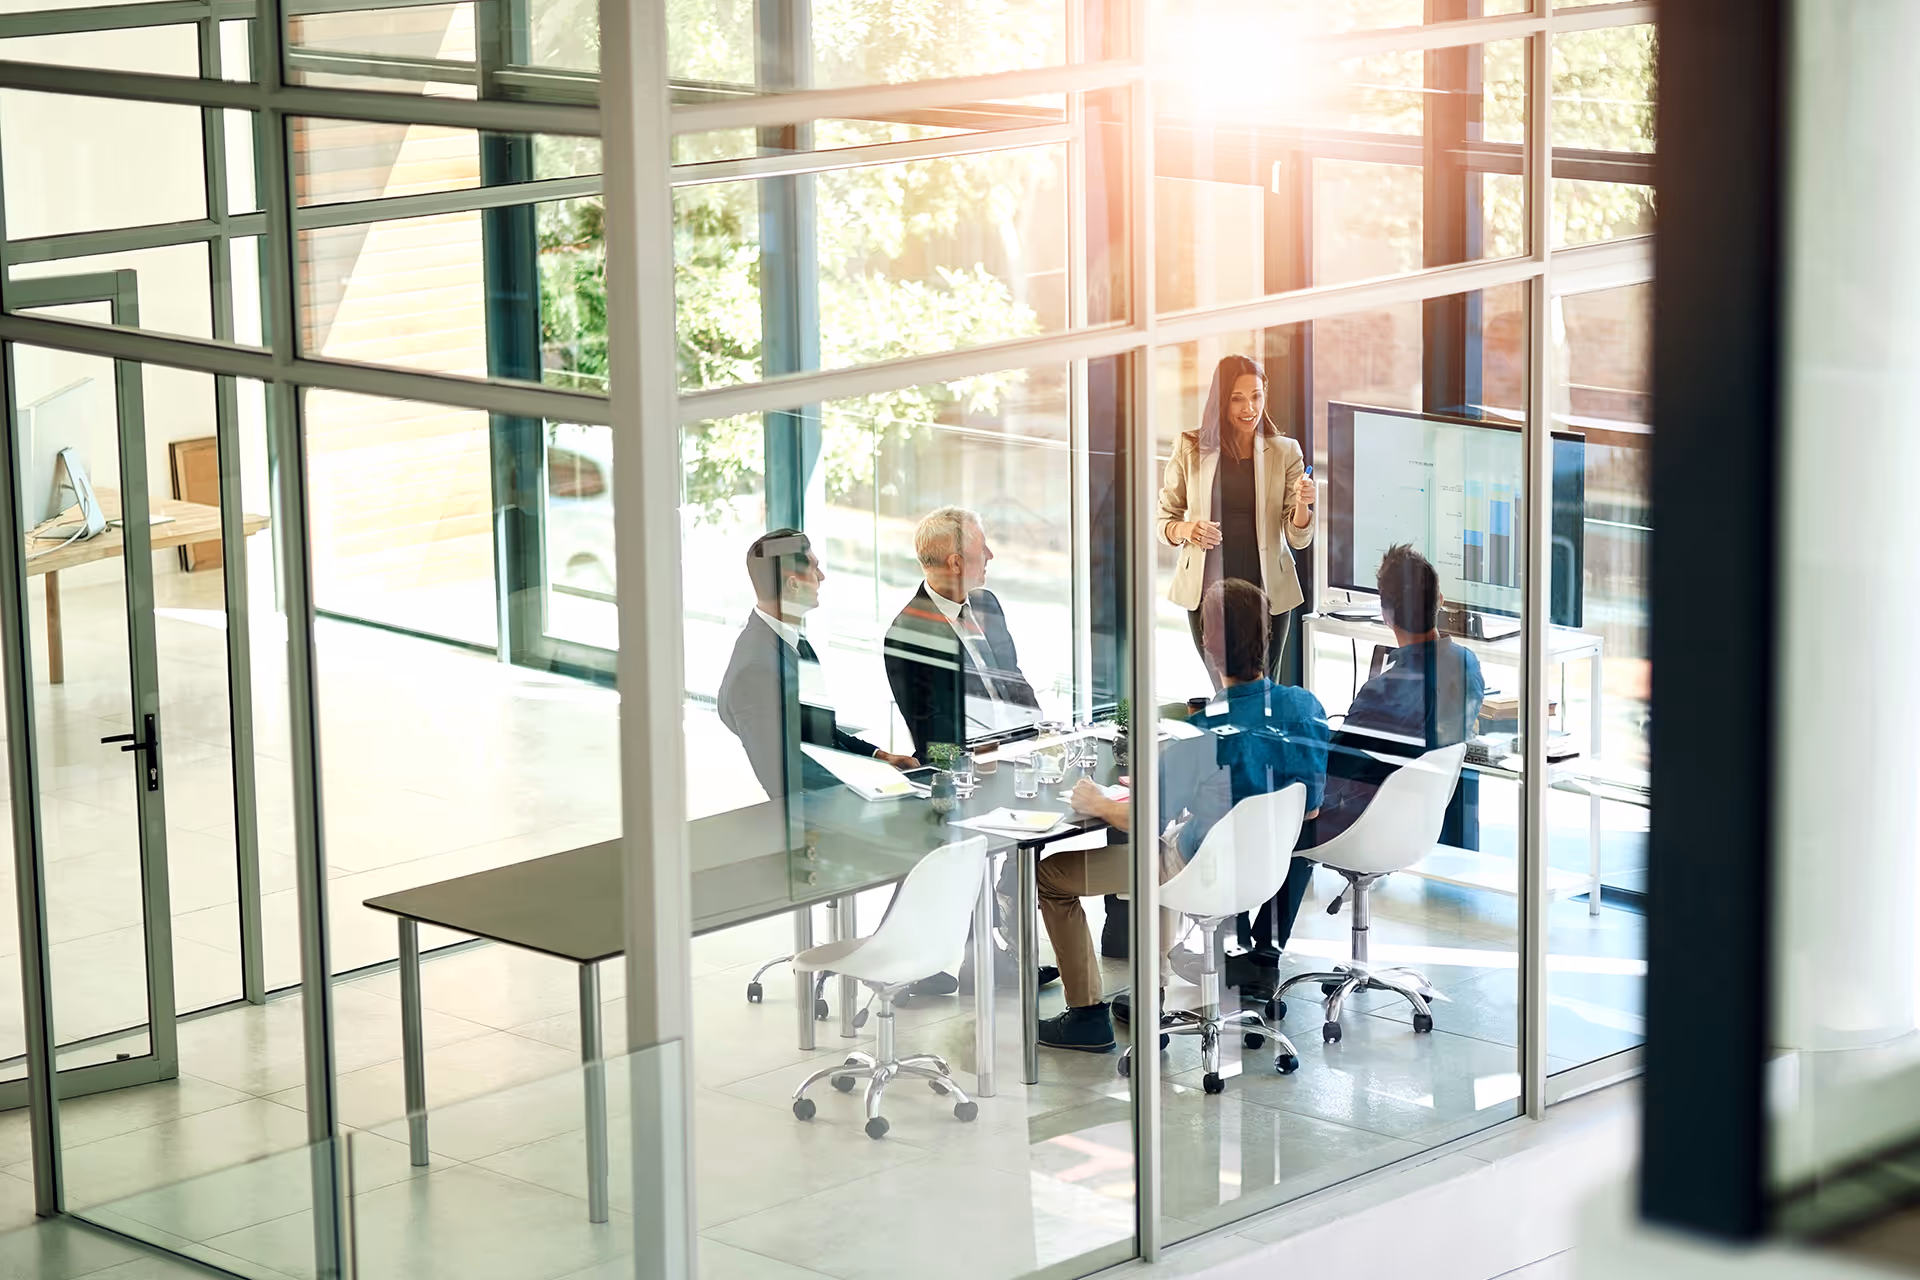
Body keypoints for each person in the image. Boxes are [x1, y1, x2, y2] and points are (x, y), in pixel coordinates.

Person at [1033, 579, 1330, 1052]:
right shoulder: (1306, 708)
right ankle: (1150, 994)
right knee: (1171, 842)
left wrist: (1099, 803)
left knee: (1054, 875)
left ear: (1209, 646)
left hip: (1203, 872)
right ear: (1268, 636)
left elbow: (1144, 820)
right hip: (1267, 871)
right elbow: (1311, 806)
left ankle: (1086, 1016)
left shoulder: (1202, 731)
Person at [1229, 544, 1485, 994]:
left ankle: (1259, 956)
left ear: (1386, 615)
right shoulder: (1466, 665)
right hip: (1416, 821)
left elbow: (1333, 767)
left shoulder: (1384, 690)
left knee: (1289, 808)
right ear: (1440, 601)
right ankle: (1255, 950)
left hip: (1365, 821)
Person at [717, 528, 917, 799]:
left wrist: (879, 757)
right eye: (814, 569)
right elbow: (783, 777)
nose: (821, 577)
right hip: (820, 814)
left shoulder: (790, 638)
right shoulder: (756, 668)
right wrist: (870, 782)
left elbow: (819, 733)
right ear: (793, 584)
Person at [1157, 354, 1316, 688]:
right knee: (1224, 690)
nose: (1249, 408)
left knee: (1263, 690)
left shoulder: (1286, 451)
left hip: (1268, 591)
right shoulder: (1191, 448)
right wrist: (1189, 530)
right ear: (1221, 400)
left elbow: (1298, 538)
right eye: (1238, 398)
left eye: (1256, 396)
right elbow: (1165, 521)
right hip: (1208, 591)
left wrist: (1303, 505)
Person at [883, 506, 1042, 761]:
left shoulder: (985, 604)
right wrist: (986, 758)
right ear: (956, 563)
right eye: (982, 548)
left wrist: (1039, 735)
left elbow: (1013, 678)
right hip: (964, 771)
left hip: (1019, 754)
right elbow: (930, 742)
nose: (990, 555)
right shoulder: (907, 635)